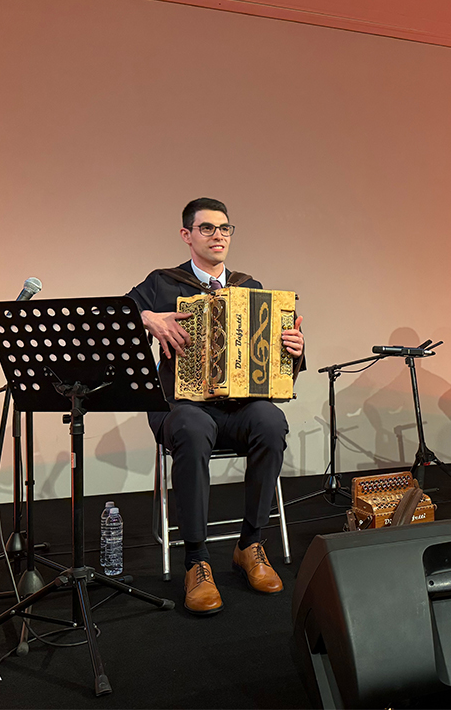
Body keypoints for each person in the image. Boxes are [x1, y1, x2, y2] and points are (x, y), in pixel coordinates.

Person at [127, 197, 305, 615]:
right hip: (180, 405)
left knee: (271, 422)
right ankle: (196, 560)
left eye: (225, 228)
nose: (218, 235)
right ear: (187, 235)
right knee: (191, 429)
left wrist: (295, 349)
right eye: (207, 228)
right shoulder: (162, 283)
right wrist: (148, 318)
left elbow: (277, 361)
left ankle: (250, 544)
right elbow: (116, 315)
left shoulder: (250, 287)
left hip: (238, 407)